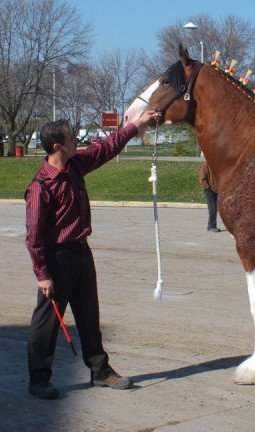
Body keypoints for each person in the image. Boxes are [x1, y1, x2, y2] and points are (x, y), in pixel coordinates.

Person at [24, 110, 159, 400]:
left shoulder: (75, 166)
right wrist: (43, 274)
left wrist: (137, 125)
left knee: (89, 315)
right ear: (58, 146)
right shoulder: (41, 187)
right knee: (47, 323)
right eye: (72, 138)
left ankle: (100, 371)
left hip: (81, 252)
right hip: (56, 258)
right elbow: (33, 237)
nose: (78, 142)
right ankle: (39, 380)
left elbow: (106, 147)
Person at [198, 161, 220, 232]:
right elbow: (202, 178)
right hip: (209, 190)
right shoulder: (205, 166)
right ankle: (211, 226)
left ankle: (213, 225)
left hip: (217, 189)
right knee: (212, 207)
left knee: (216, 208)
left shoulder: (216, 165)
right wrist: (207, 187)